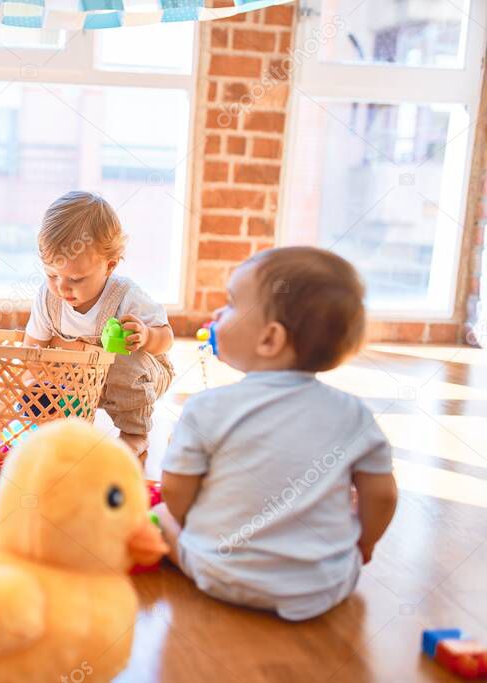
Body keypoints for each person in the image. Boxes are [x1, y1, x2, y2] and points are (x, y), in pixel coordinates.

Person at [155, 246, 398, 620]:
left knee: (160, 514)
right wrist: (362, 544)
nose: (219, 313)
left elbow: (175, 488)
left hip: (218, 573)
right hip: (325, 584)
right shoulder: (354, 414)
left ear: (270, 339)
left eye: (232, 303)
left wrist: (192, 525)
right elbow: (380, 495)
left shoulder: (206, 408)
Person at [23, 191, 174, 456]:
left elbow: (167, 338)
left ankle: (135, 433)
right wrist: (37, 386)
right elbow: (32, 350)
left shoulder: (125, 296)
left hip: (140, 378)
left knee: (125, 362)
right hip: (81, 383)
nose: (62, 287)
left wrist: (147, 335)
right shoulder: (47, 300)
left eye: (76, 279)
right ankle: (63, 430)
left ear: (109, 266)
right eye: (51, 274)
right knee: (42, 375)